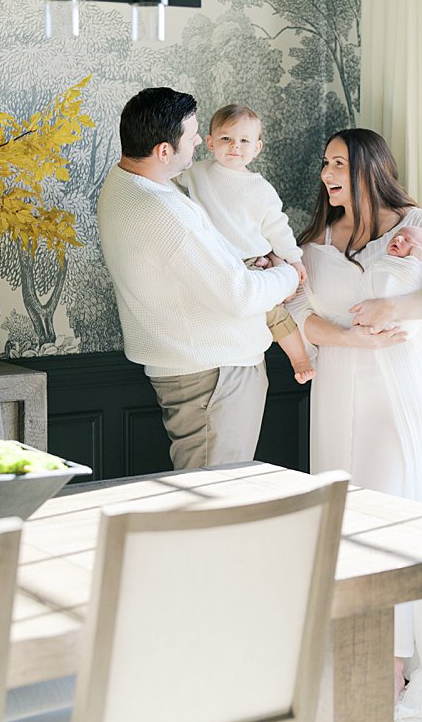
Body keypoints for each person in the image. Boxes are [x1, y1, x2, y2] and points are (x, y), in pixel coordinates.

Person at [289, 127, 422, 719]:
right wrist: (346, 336)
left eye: (338, 162)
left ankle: (394, 663)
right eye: (325, 163)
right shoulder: (315, 236)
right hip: (339, 389)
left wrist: (395, 306)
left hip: (402, 394)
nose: (326, 173)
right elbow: (294, 313)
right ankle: (349, 648)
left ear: (372, 167)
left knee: (392, 520)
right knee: (343, 521)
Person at [97, 87, 301, 471]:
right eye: (192, 137)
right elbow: (239, 295)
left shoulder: (122, 184)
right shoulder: (163, 211)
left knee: (207, 497)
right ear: (163, 151)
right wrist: (288, 273)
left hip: (195, 367)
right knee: (212, 500)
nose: (197, 144)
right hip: (214, 375)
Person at [179, 103, 314, 383]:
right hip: (213, 261)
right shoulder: (196, 173)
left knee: (274, 315)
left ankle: (299, 358)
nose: (235, 147)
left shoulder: (260, 188)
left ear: (257, 148)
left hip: (251, 263)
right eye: (226, 139)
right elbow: (165, 184)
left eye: (244, 141)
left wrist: (294, 258)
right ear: (211, 143)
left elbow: (278, 228)